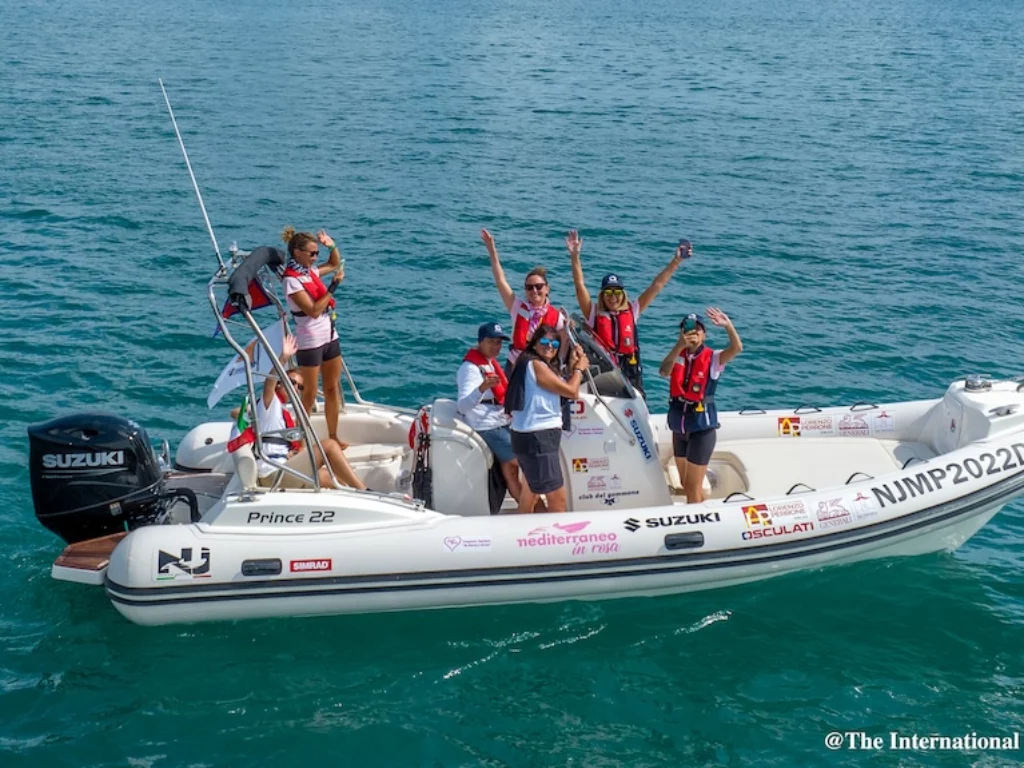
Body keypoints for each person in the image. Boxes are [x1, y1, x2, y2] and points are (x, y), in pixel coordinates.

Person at [231, 335, 367, 490]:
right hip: (272, 475)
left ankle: (357, 497)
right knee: (329, 446)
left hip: (284, 468)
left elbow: (239, 413)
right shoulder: (270, 403)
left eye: (299, 387)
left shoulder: (282, 412)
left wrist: (291, 453)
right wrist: (283, 357)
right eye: (291, 382)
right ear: (281, 381)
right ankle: (367, 492)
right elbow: (269, 383)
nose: (295, 387)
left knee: (335, 479)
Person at [567, 230, 691, 395]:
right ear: (602, 295)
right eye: (608, 293)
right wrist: (575, 255)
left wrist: (676, 261)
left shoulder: (632, 311)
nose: (613, 298)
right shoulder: (593, 313)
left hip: (630, 372)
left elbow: (656, 286)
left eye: (617, 293)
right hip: (606, 373)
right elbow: (579, 285)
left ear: (623, 295)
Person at [658, 308, 743, 504]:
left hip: (701, 428)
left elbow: (737, 348)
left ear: (704, 334)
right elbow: (664, 371)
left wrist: (728, 326)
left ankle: (696, 522)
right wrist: (678, 346)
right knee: (685, 484)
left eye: (698, 329)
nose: (693, 332)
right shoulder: (678, 354)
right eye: (688, 329)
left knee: (693, 487)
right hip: (679, 427)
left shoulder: (713, 358)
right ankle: (705, 509)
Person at [504, 324, 590, 513]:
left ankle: (522, 536)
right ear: (534, 344)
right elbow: (571, 391)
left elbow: (559, 384)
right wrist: (580, 370)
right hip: (538, 439)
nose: (549, 345)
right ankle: (558, 539)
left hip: (528, 437)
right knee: (557, 499)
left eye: (554, 343)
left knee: (530, 492)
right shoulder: (536, 365)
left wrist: (573, 363)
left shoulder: (530, 363)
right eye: (544, 341)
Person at [280, 226, 344, 441]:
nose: (316, 258)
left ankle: (333, 436)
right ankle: (298, 440)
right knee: (308, 394)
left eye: (318, 253)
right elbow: (314, 311)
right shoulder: (292, 280)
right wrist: (333, 287)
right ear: (298, 253)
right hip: (310, 340)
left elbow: (334, 263)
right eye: (312, 253)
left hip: (329, 336)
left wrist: (331, 245)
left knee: (332, 389)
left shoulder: (309, 273)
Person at [481, 229, 566, 375]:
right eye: (529, 287)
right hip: (516, 364)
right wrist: (492, 251)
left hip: (542, 368)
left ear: (547, 289)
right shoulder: (517, 307)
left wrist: (558, 367)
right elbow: (500, 280)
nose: (534, 291)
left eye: (538, 287)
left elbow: (563, 346)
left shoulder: (558, 317)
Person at [456, 322, 523, 503]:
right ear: (480, 341)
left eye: (499, 343)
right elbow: (462, 406)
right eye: (491, 342)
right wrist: (482, 388)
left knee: (511, 471)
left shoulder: (488, 363)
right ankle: (535, 510)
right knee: (529, 463)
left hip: (499, 421)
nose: (496, 347)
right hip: (489, 427)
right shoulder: (470, 369)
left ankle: (530, 511)